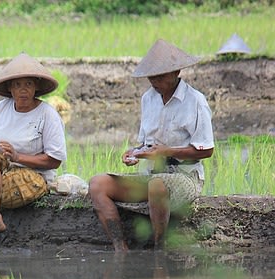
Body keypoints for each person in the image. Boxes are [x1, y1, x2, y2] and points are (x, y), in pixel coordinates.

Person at [89, 39, 215, 252]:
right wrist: (134, 153)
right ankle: (121, 248)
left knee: (157, 184)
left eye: (160, 76)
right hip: (151, 178)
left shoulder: (195, 101)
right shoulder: (148, 98)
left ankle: (159, 249)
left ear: (176, 72)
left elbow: (207, 150)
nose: (154, 81)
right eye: (151, 76)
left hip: (185, 178)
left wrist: (166, 151)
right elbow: (146, 143)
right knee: (98, 184)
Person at [0, 53, 67, 253]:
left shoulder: (47, 114)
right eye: (18, 85)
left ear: (36, 87)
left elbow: (54, 160)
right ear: (10, 88)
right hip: (0, 169)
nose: (23, 90)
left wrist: (18, 157)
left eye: (28, 84)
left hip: (34, 173)